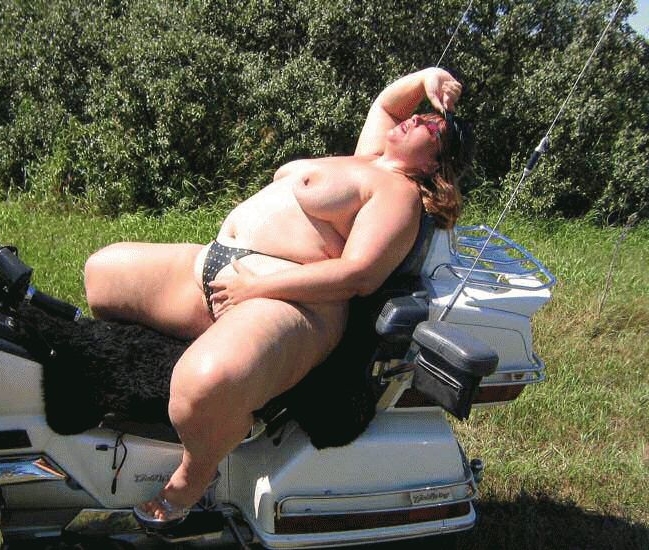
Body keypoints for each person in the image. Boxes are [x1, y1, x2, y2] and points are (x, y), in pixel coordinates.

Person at [83, 67, 474, 527]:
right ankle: (219, 367)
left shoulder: (399, 194)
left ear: (433, 165)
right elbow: (388, 104)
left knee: (200, 387)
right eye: (422, 114)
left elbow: (358, 276)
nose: (417, 118)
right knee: (101, 273)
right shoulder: (368, 159)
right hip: (216, 265)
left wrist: (255, 288)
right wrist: (428, 78)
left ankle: (195, 475)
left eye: (431, 128)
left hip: (291, 302)